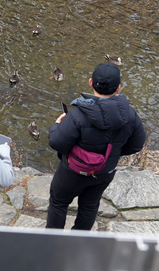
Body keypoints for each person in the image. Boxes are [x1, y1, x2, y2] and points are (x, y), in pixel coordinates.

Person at [46, 62, 146, 230]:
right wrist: (113, 153)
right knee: (90, 206)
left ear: (90, 82)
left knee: (58, 202)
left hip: (73, 171)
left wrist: (56, 126)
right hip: (104, 172)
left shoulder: (78, 114)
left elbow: (57, 143)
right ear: (118, 88)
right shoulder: (131, 116)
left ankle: (53, 242)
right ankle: (79, 241)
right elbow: (136, 146)